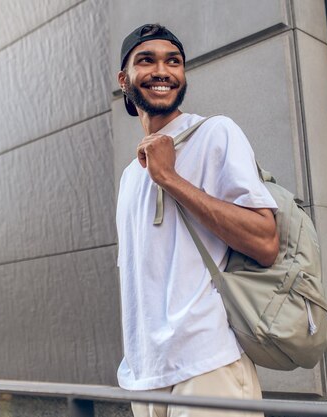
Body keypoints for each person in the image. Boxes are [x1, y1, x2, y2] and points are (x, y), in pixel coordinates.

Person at [115, 24, 279, 417]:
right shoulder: (128, 176)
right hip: (145, 375)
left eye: (174, 61)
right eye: (146, 60)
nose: (162, 71)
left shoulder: (215, 133)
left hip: (209, 366)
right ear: (124, 79)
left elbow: (265, 241)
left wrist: (170, 178)